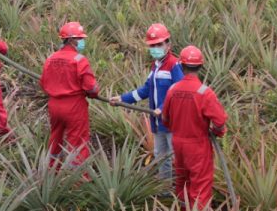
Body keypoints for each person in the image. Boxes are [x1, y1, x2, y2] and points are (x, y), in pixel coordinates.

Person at [109, 23, 183, 181]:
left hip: (172, 122)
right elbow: (145, 90)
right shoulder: (155, 66)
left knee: (178, 157)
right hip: (157, 122)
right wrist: (122, 98)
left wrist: (163, 108)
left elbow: (179, 93)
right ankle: (165, 188)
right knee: (161, 156)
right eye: (152, 45)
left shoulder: (174, 66)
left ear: (168, 45)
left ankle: (185, 192)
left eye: (159, 44)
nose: (155, 48)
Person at [160, 45, 228, 211]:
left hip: (178, 143)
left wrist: (176, 127)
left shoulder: (173, 89)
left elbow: (165, 119)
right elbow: (219, 121)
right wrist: (217, 132)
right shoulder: (205, 92)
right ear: (201, 66)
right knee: (201, 186)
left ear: (181, 66)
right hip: (197, 145)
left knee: (182, 182)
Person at [40, 21, 99, 168]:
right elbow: (91, 88)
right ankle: (79, 181)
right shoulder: (79, 60)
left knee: (55, 137)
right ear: (72, 40)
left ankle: (51, 172)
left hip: (54, 105)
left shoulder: (50, 58)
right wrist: (93, 92)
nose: (82, 41)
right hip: (74, 106)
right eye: (80, 38)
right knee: (78, 142)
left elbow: (43, 83)